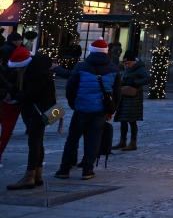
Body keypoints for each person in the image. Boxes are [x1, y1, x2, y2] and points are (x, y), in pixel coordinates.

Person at [55, 38, 120, 180]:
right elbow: (117, 93)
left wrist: (74, 104)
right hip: (101, 110)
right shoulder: (114, 69)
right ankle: (88, 170)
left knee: (72, 138)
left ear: (90, 51)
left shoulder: (81, 67)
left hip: (81, 108)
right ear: (106, 52)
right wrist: (111, 111)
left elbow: (70, 88)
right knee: (94, 139)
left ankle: (64, 169)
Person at [3, 46, 55, 190]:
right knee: (37, 143)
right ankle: (37, 175)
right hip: (43, 110)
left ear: (22, 65)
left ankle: (29, 177)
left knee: (34, 143)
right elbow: (18, 86)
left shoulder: (36, 73)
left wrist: (14, 96)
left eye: (17, 68)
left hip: (39, 111)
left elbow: (29, 94)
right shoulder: (34, 69)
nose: (17, 71)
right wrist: (11, 92)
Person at [112, 50, 148, 151]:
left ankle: (133, 143)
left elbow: (148, 78)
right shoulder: (126, 69)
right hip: (124, 97)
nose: (126, 65)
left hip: (134, 98)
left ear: (133, 62)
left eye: (128, 63)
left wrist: (135, 83)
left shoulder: (139, 69)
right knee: (123, 120)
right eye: (125, 63)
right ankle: (122, 141)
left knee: (132, 121)